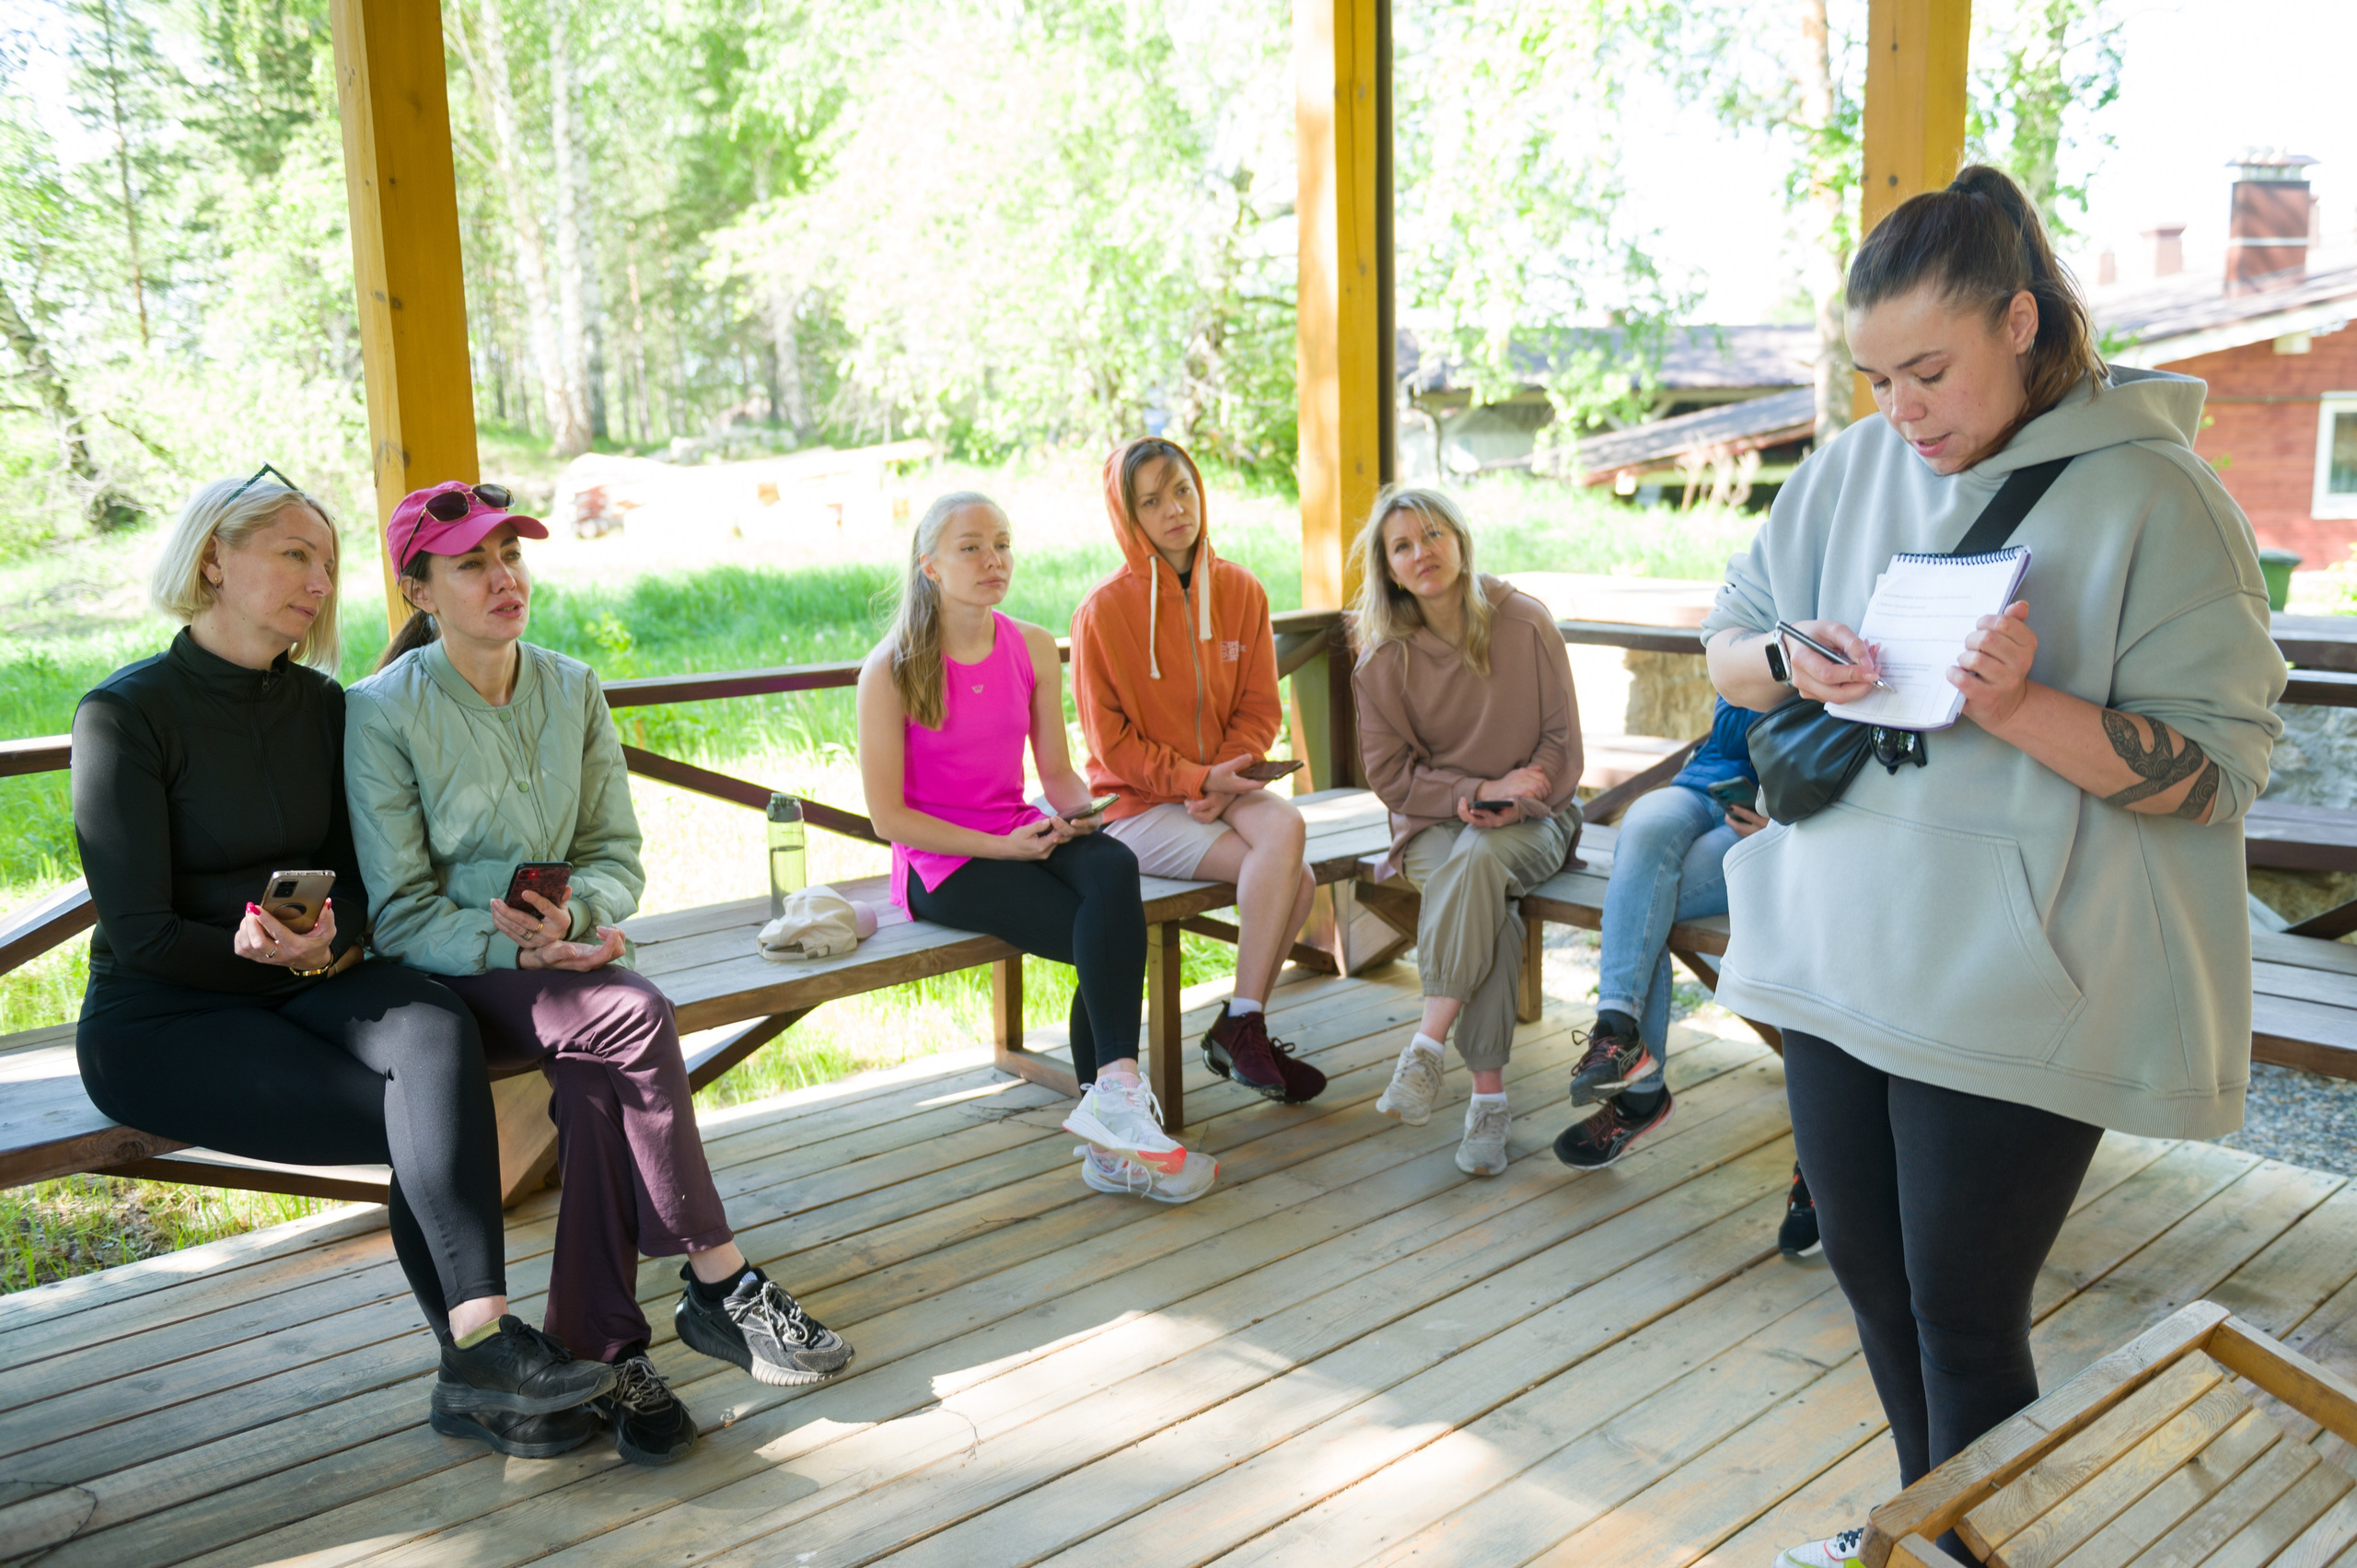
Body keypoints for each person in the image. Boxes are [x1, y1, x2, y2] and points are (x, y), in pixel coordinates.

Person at [1699, 168, 2282, 1568]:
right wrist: (1786, 658)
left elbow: (2219, 770)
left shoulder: (2159, 496)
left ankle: (1962, 1547)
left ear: (2020, 321)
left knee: (1962, 1310)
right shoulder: (1850, 467)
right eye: (1875, 377)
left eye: (1928, 371)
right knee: (1870, 1279)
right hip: (1838, 946)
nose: (1901, 409)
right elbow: (1728, 644)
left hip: (2020, 971)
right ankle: (1926, 1536)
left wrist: (2023, 708)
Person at [73, 470, 616, 1462]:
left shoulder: (323, 706)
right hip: (164, 1016)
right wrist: (255, 949)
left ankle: (479, 1350)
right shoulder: (124, 714)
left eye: (326, 561)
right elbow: (141, 930)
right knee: (424, 1118)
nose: (320, 581)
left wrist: (331, 940)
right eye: (294, 555)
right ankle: (480, 1360)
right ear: (212, 561)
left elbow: (364, 881)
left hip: (309, 978)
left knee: (434, 1031)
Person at [346, 480, 853, 1470]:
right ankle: (720, 1276)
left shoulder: (572, 686)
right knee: (633, 1012)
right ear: (419, 590)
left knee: (593, 1081)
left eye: (511, 556)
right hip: (455, 984)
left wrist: (576, 919)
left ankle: (604, 1347)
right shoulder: (380, 713)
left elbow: (617, 854)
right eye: (471, 564)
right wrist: (517, 948)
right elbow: (400, 913)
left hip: (572, 968)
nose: (503, 578)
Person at [857, 491, 1218, 1203]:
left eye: (1002, 543)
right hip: (943, 863)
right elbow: (889, 819)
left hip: (1022, 829)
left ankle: (1113, 1099)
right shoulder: (891, 669)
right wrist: (1006, 849)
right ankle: (1113, 1135)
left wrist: (1081, 817)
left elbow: (1056, 774)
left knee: (1112, 863)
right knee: (1103, 933)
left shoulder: (1029, 645)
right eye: (971, 547)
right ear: (930, 566)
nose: (994, 560)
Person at [1071, 437, 1323, 1104]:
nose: (1175, 509)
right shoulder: (1102, 611)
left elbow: (1258, 707)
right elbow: (1112, 745)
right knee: (1295, 879)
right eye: (1151, 501)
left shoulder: (1241, 589)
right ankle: (1241, 1028)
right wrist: (1194, 780)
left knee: (1287, 834)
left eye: (1182, 490)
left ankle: (1243, 1020)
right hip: (1136, 807)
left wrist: (1219, 778)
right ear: (1128, 515)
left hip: (1221, 784)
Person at [1352, 485, 1583, 1178]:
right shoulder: (1382, 659)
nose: (1421, 552)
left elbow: (1561, 743)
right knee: (1491, 906)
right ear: (1390, 569)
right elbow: (1392, 778)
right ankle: (1488, 1102)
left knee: (1482, 864)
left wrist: (1519, 796)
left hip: (1536, 815)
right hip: (1432, 823)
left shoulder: (1525, 622)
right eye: (1402, 546)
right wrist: (1477, 791)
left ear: (1459, 540)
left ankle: (1426, 1047)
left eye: (1433, 535)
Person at [1553, 697, 1768, 1168]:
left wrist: (1784, 828)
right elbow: (1730, 728)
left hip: (1774, 820)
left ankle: (1640, 1096)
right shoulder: (1763, 645)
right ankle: (1616, 1034)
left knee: (1645, 898)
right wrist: (1788, 674)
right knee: (1644, 829)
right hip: (1704, 784)